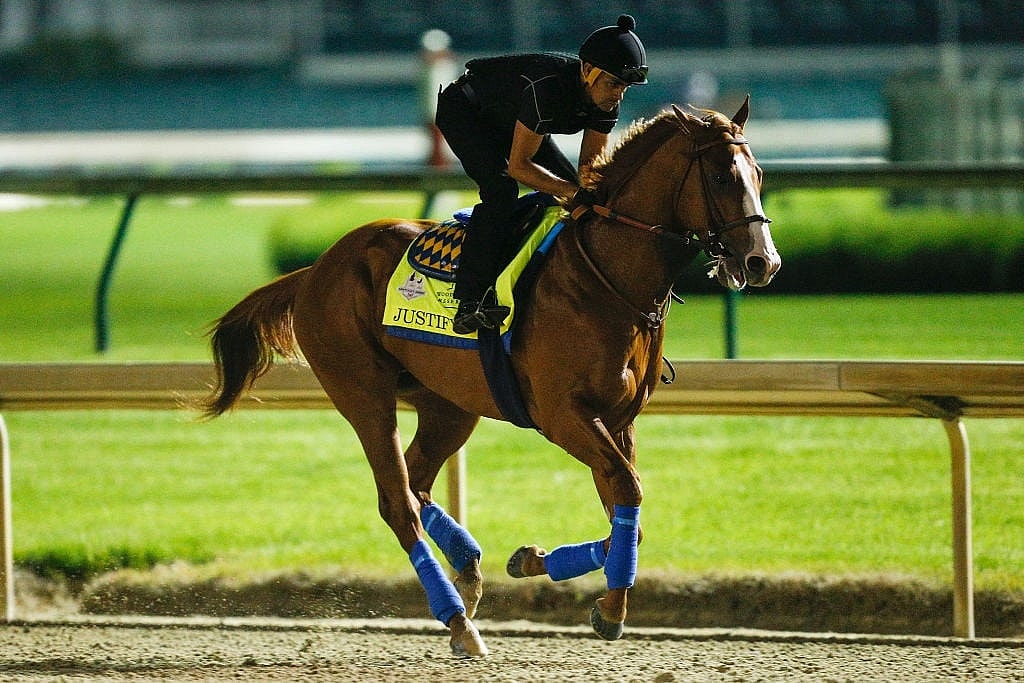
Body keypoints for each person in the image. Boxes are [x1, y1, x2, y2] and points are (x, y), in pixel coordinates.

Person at [435, 14, 648, 335]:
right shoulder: (547, 89)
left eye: (625, 87)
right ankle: (470, 299)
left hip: (513, 119)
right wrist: (575, 194)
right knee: (501, 191)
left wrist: (596, 199)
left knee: (578, 196)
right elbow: (519, 167)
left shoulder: (607, 102)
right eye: (613, 84)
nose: (618, 94)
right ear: (587, 72)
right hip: (466, 112)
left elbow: (588, 172)